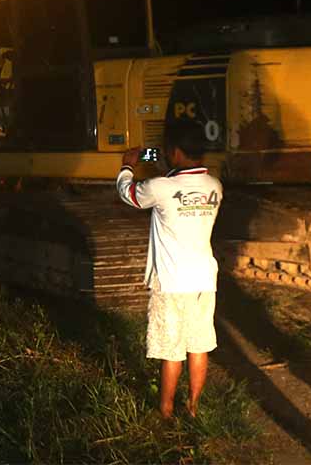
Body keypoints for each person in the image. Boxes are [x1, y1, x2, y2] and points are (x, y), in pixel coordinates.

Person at [116, 120, 223, 420]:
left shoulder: (161, 187)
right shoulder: (215, 186)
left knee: (171, 351)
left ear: (175, 152)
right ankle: (193, 408)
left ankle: (165, 413)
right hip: (204, 279)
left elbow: (130, 194)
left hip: (173, 281)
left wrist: (128, 165)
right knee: (198, 346)